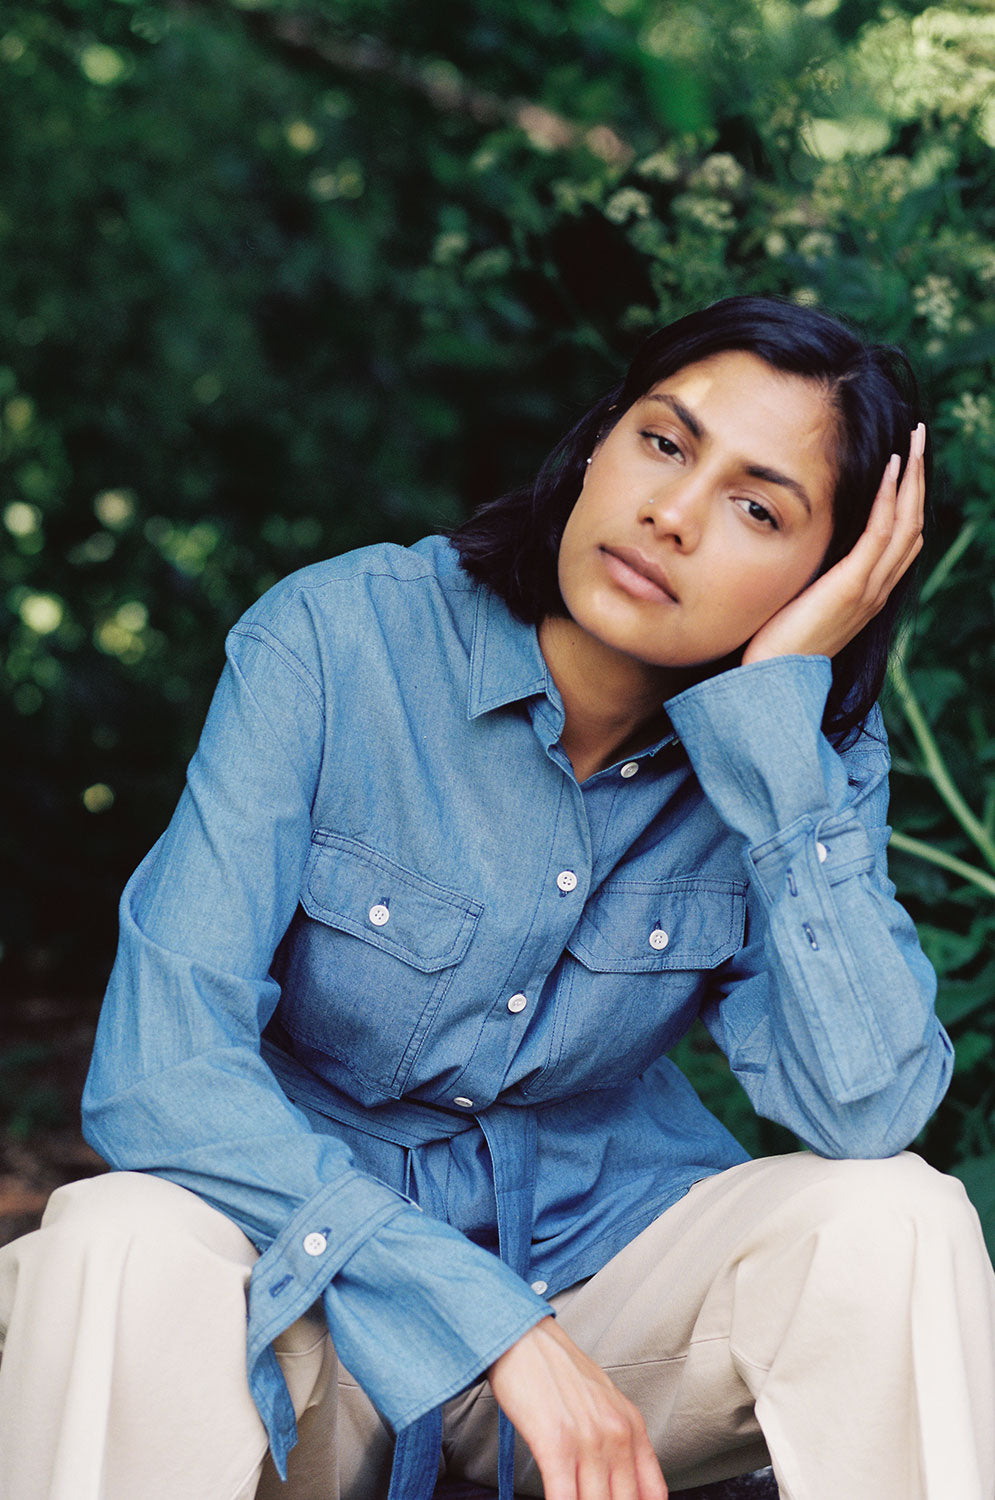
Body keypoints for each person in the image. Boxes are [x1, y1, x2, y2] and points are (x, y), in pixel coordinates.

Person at [1, 294, 993, 1500]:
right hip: (313, 1298)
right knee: (114, 1241)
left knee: (896, 1217)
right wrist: (481, 1319)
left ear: (826, 580)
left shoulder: (801, 754)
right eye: (663, 442)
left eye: (756, 508)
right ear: (596, 443)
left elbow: (867, 1109)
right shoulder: (342, 640)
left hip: (599, 1302)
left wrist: (776, 743)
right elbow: (158, 1073)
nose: (671, 515)